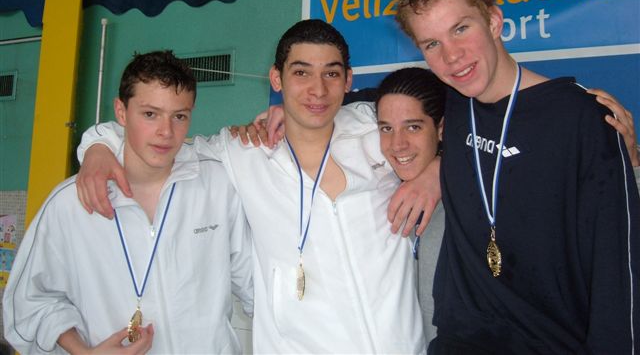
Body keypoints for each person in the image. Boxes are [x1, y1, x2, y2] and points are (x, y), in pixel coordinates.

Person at [74, 20, 426, 353]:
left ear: (348, 80)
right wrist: (98, 145)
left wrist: (434, 172)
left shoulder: (378, 130)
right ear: (276, 78)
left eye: (331, 74)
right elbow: (159, 139)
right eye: (301, 72)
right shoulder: (241, 152)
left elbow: (443, 117)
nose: (318, 90)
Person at [394, 0, 640, 353]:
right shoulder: (452, 103)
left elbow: (619, 271)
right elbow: (355, 102)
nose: (452, 56)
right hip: (461, 342)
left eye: (461, 29)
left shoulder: (581, 119)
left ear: (493, 21)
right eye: (432, 44)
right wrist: (434, 169)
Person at [3, 51, 253, 354]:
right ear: (121, 112)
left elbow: (255, 284)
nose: (166, 132)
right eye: (150, 114)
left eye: (179, 116)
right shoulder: (70, 202)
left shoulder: (216, 185)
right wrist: (84, 353)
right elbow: (31, 302)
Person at [375, 67, 446, 343]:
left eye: (413, 127)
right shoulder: (377, 191)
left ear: (441, 128)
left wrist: (443, 167)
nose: (398, 144)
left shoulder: (472, 201)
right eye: (387, 129)